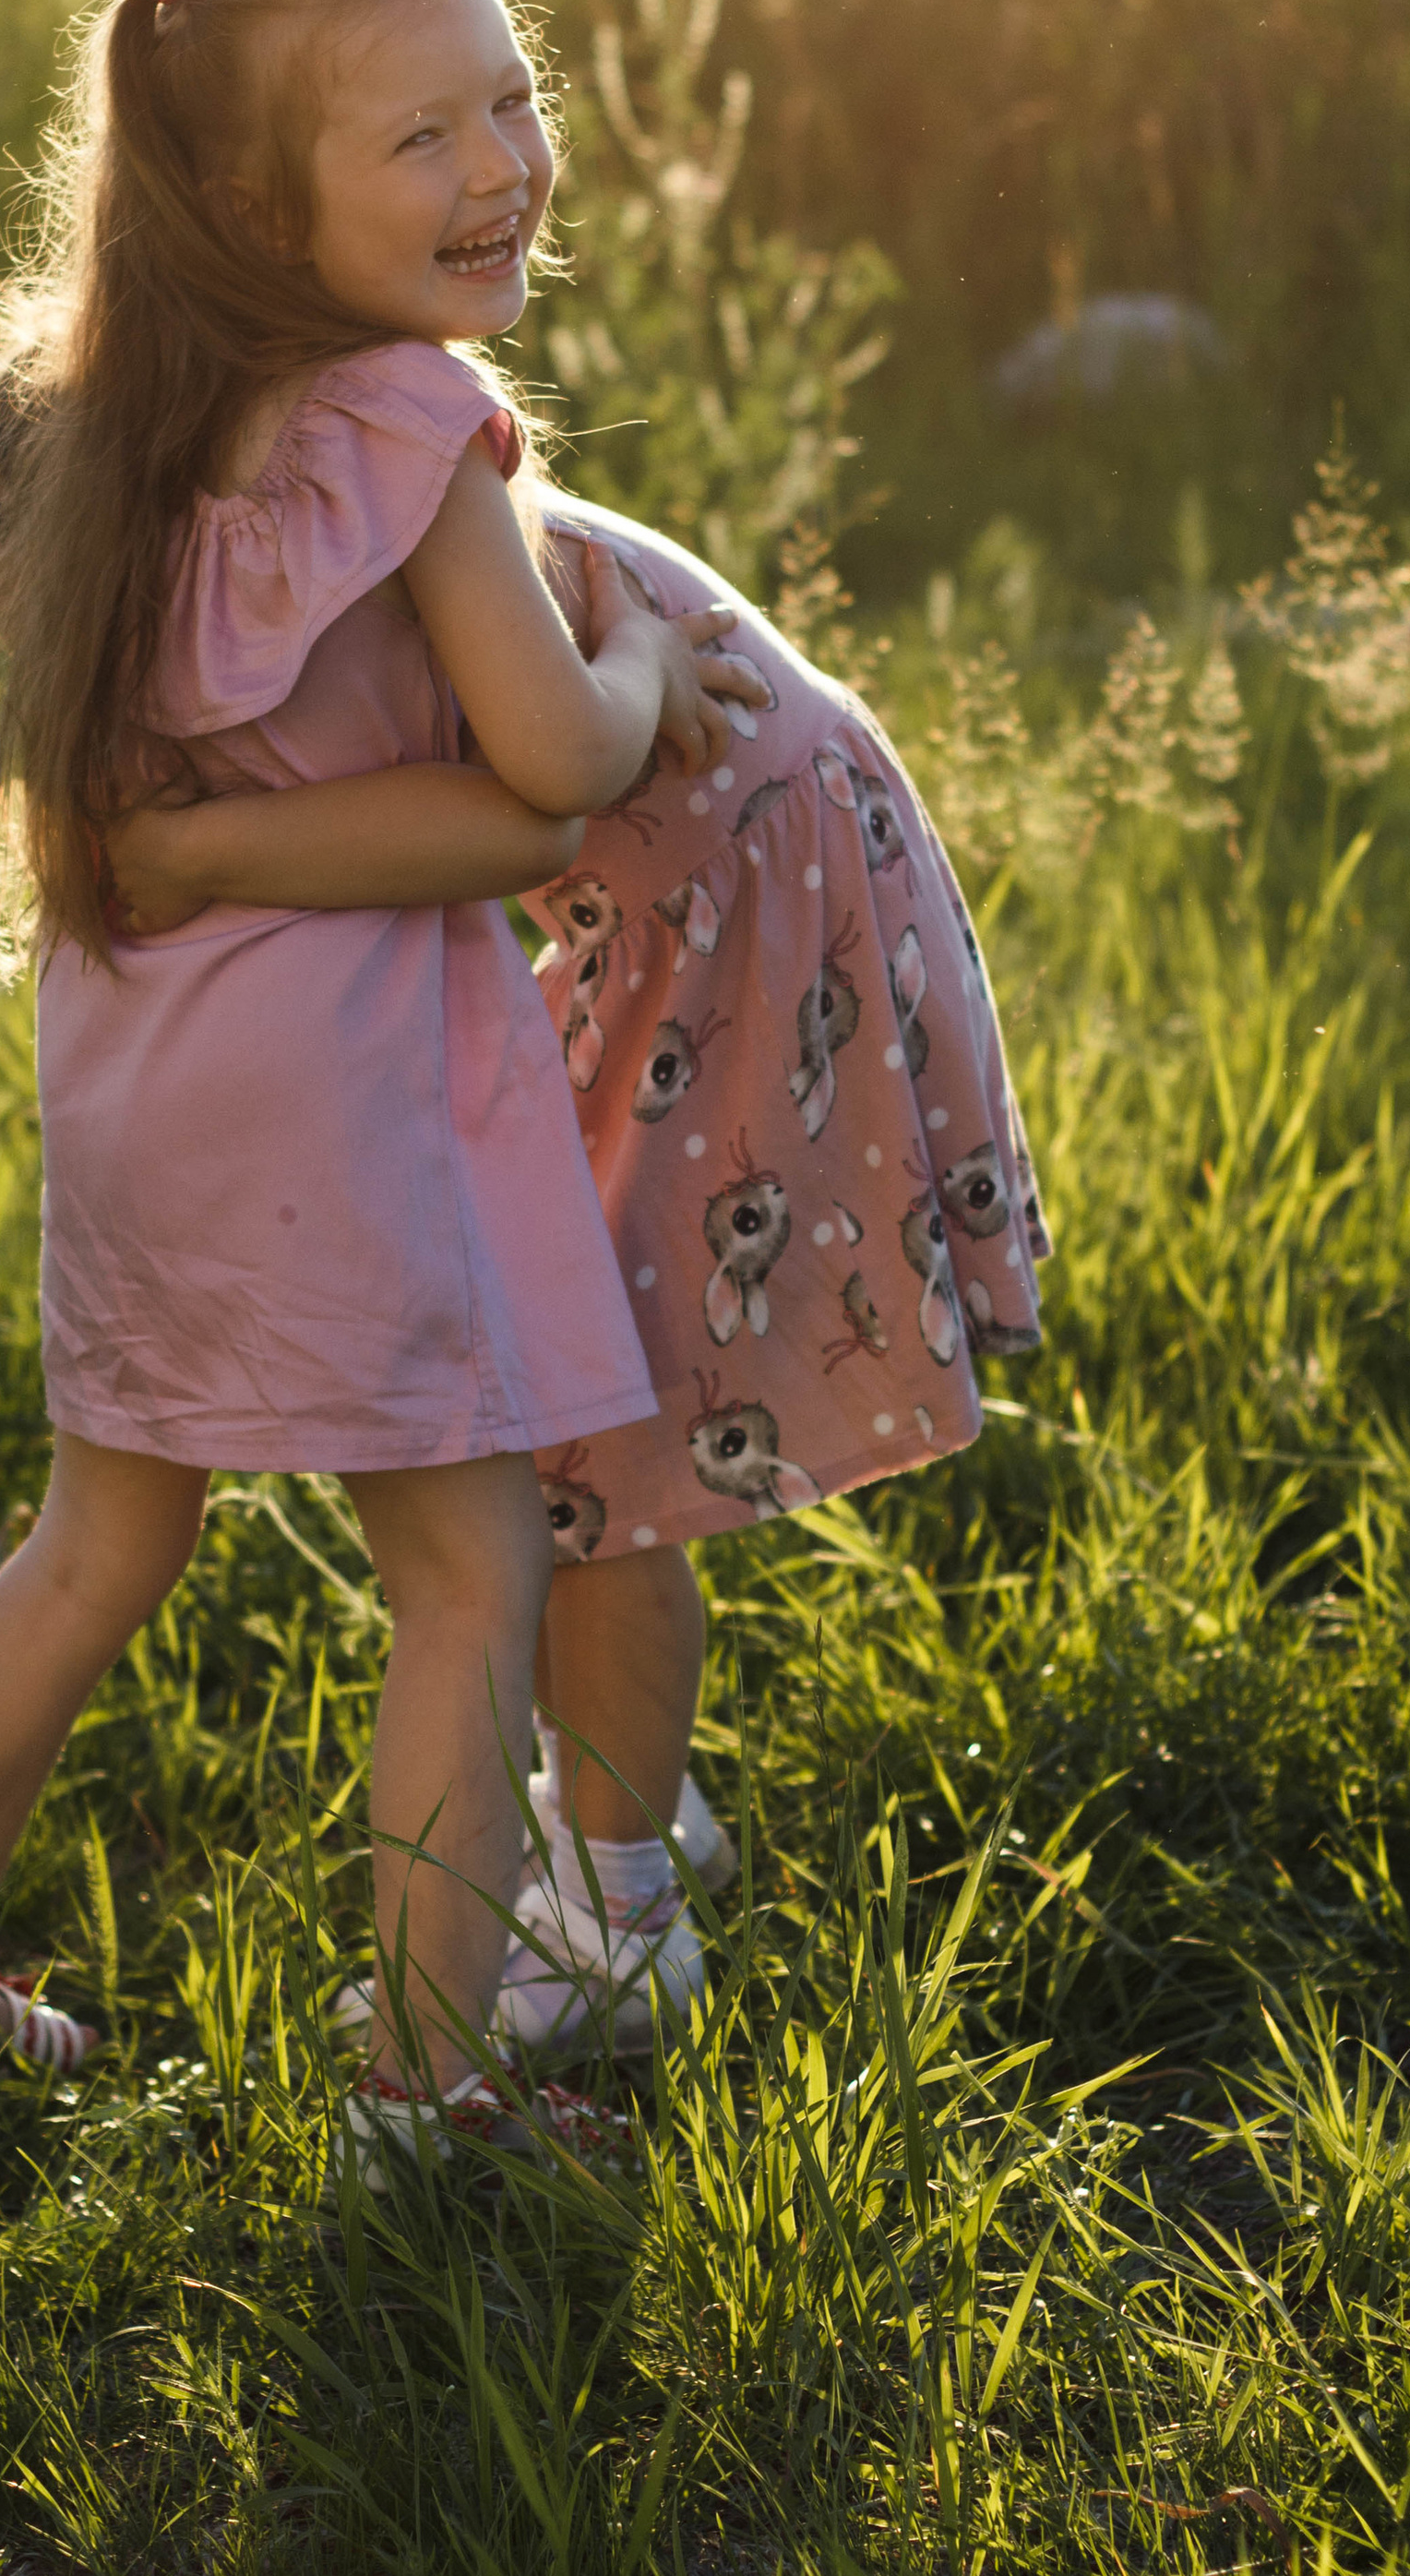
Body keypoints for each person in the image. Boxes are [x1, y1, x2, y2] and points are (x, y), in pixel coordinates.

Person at [0, 0, 764, 2177]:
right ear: (249, 194)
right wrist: (649, 666)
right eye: (420, 135)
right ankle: (425, 2105)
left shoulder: (64, 419)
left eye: (509, 103)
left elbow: (151, 790)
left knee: (95, 1545)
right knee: (464, 1577)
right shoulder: (407, 430)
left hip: (142, 1094)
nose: (498, 166)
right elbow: (547, 769)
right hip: (360, 1100)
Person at [100, 466, 1055, 2069]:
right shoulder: (282, 482)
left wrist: (213, 852)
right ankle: (620, 1811)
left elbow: (518, 801)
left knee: (596, 1441)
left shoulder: (328, 506)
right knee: (544, 1415)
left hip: (736, 910)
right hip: (677, 906)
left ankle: (624, 1923)